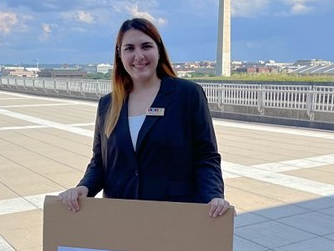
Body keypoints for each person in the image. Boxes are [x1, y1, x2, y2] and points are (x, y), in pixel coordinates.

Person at [59, 18, 231, 217]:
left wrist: (214, 196)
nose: (138, 56)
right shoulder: (107, 105)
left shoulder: (187, 95)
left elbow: (206, 156)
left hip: (174, 216)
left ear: (158, 50)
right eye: (129, 48)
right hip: (122, 217)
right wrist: (84, 187)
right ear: (119, 54)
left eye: (146, 46)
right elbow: (100, 162)